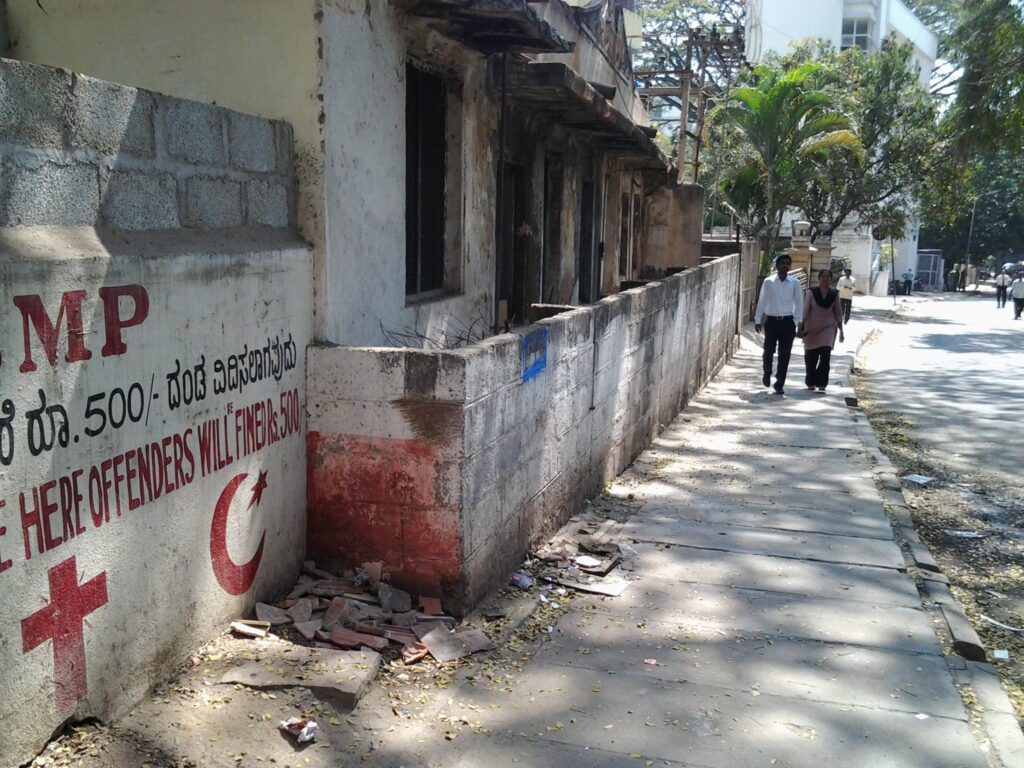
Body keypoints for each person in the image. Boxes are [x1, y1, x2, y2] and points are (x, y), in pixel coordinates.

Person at [754, 254, 803, 395]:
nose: (785, 266)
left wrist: (797, 322)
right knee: (768, 351)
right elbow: (762, 301)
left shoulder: (795, 283)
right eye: (782, 263)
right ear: (777, 266)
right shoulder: (768, 282)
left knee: (785, 354)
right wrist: (758, 319)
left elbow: (799, 303)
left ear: (790, 266)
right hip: (772, 321)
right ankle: (767, 371)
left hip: (788, 322)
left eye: (787, 263)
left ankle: (780, 382)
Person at [799, 269, 845, 393]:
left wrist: (841, 330)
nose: (825, 279)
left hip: (828, 328)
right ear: (819, 278)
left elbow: (838, 312)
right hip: (811, 329)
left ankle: (822, 382)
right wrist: (800, 327)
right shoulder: (811, 293)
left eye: (828, 277)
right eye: (823, 276)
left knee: (825, 357)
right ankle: (811, 381)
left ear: (831, 279)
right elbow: (804, 311)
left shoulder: (834, 294)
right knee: (811, 360)